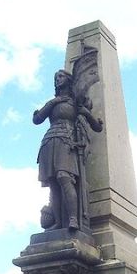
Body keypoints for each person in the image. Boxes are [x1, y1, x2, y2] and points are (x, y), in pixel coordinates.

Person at [33, 69, 102, 231]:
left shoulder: (75, 101)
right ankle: (58, 222)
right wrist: (53, 103)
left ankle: (73, 219)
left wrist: (86, 112)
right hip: (49, 141)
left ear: (69, 80)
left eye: (61, 77)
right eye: (56, 77)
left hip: (67, 141)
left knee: (64, 177)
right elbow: (37, 119)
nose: (58, 79)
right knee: (53, 184)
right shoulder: (54, 102)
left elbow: (96, 126)